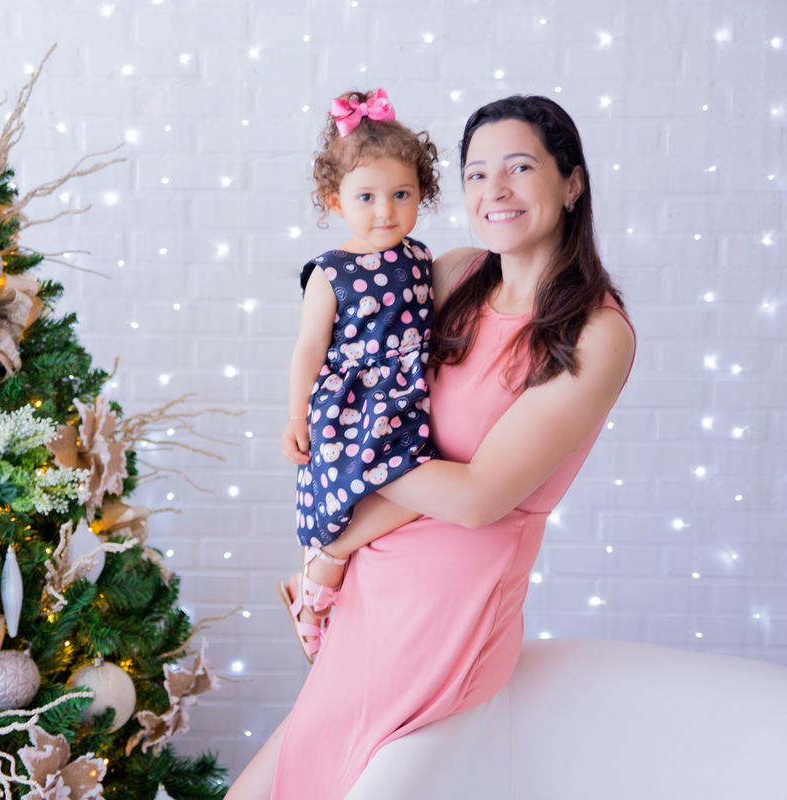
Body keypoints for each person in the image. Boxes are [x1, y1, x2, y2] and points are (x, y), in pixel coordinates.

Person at [226, 94, 637, 800]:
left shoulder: (596, 332)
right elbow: (342, 352)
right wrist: (335, 548)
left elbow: (478, 498)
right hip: (370, 581)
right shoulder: (449, 275)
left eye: (519, 168)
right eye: (476, 174)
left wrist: (343, 457)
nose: (494, 191)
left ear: (572, 184)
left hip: (450, 604)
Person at [278, 88, 442, 663]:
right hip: (351, 409)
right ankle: (317, 587)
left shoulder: (422, 259)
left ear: (423, 193)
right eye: (366, 196)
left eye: (402, 194)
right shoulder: (332, 273)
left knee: (426, 491)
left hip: (408, 398)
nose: (386, 211)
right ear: (334, 199)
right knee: (346, 497)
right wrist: (296, 415)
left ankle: (321, 587)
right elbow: (308, 349)